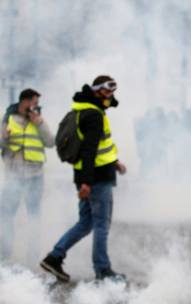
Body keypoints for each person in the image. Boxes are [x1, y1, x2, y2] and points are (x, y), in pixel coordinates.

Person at [40, 76, 127, 282]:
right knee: (101, 225)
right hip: (96, 178)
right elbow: (89, 151)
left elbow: (98, 147)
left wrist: (114, 162)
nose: (110, 97)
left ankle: (54, 257)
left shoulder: (82, 109)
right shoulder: (94, 115)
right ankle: (103, 270)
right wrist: (87, 182)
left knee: (86, 222)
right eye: (106, 92)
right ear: (96, 92)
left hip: (87, 175)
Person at [0, 89, 55, 262]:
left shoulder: (38, 120)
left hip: (35, 175)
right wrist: (3, 138)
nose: (37, 107)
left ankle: (33, 254)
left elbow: (51, 142)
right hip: (13, 175)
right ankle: (5, 251)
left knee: (34, 216)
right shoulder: (7, 118)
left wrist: (39, 123)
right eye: (35, 103)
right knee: (6, 214)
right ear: (25, 102)